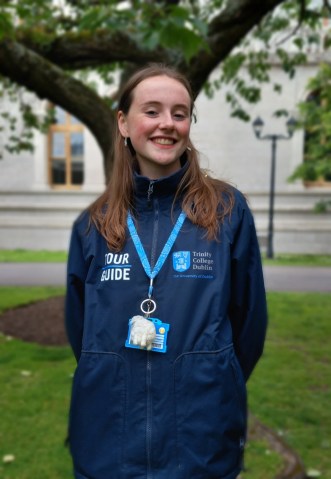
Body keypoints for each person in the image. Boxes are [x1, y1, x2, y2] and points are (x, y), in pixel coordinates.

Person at [65, 63, 267, 479]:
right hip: (109, 443)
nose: (167, 124)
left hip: (200, 441)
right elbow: (80, 332)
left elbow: (249, 326)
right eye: (152, 111)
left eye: (180, 113)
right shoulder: (93, 226)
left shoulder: (227, 212)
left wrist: (207, 371)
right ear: (124, 122)